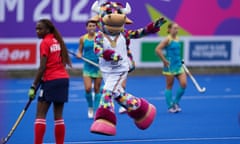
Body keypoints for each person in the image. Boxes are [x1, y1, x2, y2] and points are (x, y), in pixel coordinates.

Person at [28, 19, 72, 144]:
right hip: (63, 80)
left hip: (51, 80)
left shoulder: (45, 43)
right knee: (58, 117)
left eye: (40, 29)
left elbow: (42, 67)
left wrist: (33, 85)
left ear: (47, 29)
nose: (37, 31)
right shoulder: (57, 40)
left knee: (40, 115)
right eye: (36, 29)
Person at [155, 23, 187, 113]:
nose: (176, 30)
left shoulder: (177, 39)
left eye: (177, 28)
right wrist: (164, 60)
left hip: (178, 65)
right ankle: (170, 106)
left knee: (184, 84)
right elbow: (157, 49)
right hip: (170, 66)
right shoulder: (167, 39)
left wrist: (181, 60)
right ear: (169, 30)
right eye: (174, 28)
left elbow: (176, 53)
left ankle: (176, 103)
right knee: (169, 86)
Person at [76, 20, 102, 118]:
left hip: (98, 67)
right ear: (86, 27)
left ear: (96, 27)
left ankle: (96, 111)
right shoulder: (83, 38)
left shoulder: (99, 37)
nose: (91, 27)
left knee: (96, 89)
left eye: (93, 26)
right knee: (87, 89)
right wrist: (79, 54)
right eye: (90, 26)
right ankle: (90, 107)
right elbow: (80, 50)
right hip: (87, 67)